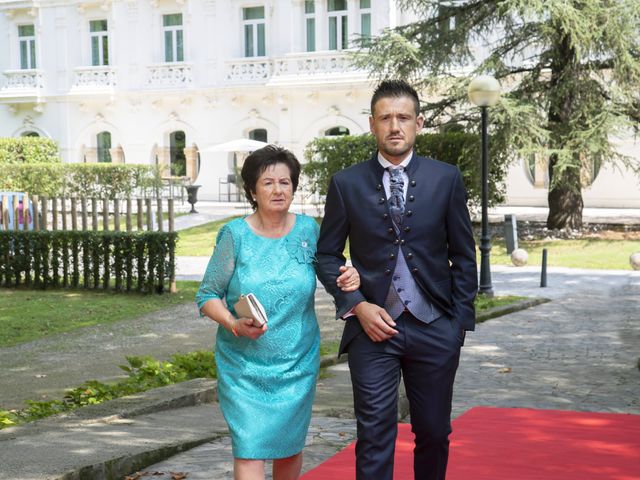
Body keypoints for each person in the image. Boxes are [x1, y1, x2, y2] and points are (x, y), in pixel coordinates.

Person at [316, 79, 478, 480]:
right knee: (373, 435)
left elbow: (463, 253)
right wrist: (356, 305)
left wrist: (457, 323)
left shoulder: (446, 178)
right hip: (372, 331)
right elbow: (326, 254)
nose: (394, 126)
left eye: (403, 117)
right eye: (385, 118)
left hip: (435, 327)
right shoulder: (346, 183)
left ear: (418, 123)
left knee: (435, 433)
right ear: (371, 124)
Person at [196, 145, 360, 480]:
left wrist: (351, 275)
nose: (277, 190)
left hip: (296, 363)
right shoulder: (234, 235)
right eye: (268, 182)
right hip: (243, 367)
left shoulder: (309, 231)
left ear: (294, 187)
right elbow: (207, 295)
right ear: (252, 190)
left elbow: (333, 273)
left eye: (285, 182)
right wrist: (232, 322)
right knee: (250, 448)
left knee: (289, 450)